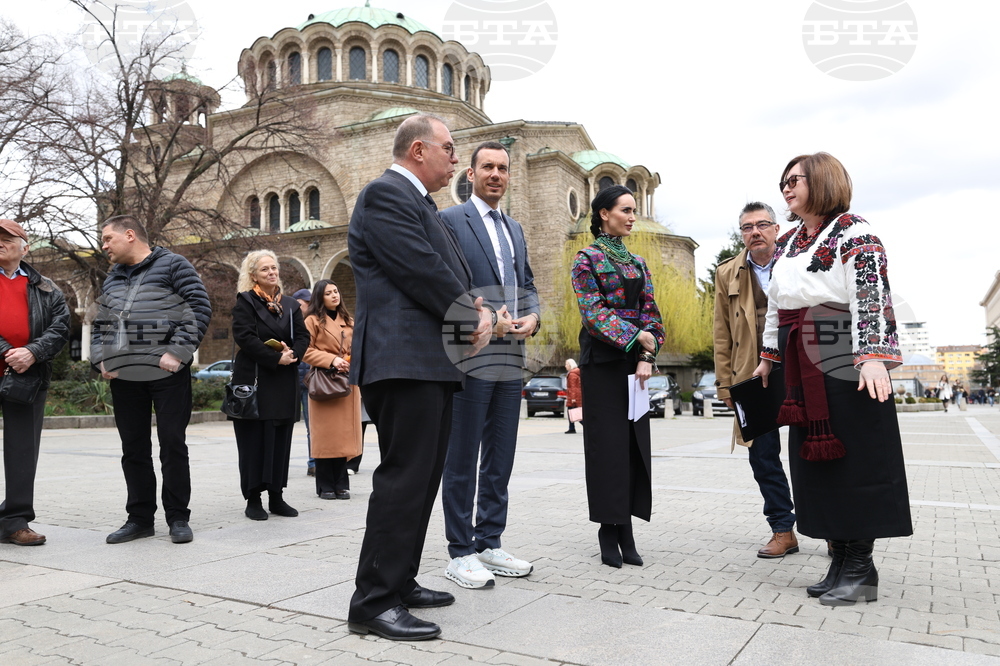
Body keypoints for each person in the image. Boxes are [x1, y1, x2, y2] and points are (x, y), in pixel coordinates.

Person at [346, 114, 499, 640]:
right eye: (450, 148)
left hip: (428, 362)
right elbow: (417, 268)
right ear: (418, 150)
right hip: (402, 359)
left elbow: (445, 271)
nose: (456, 159)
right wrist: (470, 314)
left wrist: (474, 305)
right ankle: (373, 603)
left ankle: (399, 579)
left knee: (422, 478)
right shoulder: (385, 195)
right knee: (404, 479)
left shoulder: (419, 203)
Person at [753, 152, 912, 606]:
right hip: (798, 355)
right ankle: (840, 562)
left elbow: (870, 291)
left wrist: (874, 357)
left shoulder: (853, 230)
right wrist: (768, 356)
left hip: (841, 349)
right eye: (783, 181)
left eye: (796, 180)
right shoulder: (788, 242)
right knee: (813, 461)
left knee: (854, 456)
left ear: (822, 182)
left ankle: (861, 569)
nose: (786, 188)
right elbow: (777, 304)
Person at [439, 140, 540, 589]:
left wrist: (532, 317)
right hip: (472, 352)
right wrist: (482, 320)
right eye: (488, 167)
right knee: (462, 455)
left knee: (500, 455)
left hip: (511, 355)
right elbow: (443, 284)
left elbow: (529, 284)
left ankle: (489, 541)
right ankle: (460, 552)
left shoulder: (515, 228)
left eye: (503, 168)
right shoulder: (451, 221)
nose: (496, 174)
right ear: (472, 174)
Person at [92, 215, 211, 545]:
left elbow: (199, 308)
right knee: (133, 449)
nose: (104, 246)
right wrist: (100, 358)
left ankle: (177, 518)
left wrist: (177, 351)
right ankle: (140, 519)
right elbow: (102, 322)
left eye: (107, 239)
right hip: (125, 375)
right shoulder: (113, 277)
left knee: (172, 444)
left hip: (167, 371)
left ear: (129, 235)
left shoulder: (174, 265)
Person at [571, 185, 664, 569]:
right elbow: (593, 314)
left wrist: (646, 354)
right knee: (606, 448)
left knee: (633, 446)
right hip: (602, 366)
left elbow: (652, 315)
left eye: (634, 211)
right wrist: (633, 338)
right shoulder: (586, 259)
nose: (631, 216)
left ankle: (626, 526)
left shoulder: (639, 263)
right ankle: (608, 528)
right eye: (625, 210)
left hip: (635, 369)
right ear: (603, 213)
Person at [714, 202, 798, 559]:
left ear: (776, 229)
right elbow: (721, 332)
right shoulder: (727, 272)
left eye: (762, 225)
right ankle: (783, 529)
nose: (754, 232)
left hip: (798, 368)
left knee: (811, 450)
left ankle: (828, 529)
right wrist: (724, 384)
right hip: (752, 373)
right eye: (747, 227)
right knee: (763, 457)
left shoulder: (797, 260)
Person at [0, 219, 70, 546]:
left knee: (23, 449)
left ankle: (15, 521)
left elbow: (60, 327)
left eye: (6, 238)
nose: (0, 243)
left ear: (24, 247)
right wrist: (7, 350)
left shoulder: (46, 287)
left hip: (27, 377)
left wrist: (31, 352)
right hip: (10, 363)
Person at [230, 250, 309, 521]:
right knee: (254, 441)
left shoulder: (290, 304)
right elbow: (245, 337)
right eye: (265, 270)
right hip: (255, 379)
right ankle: (253, 498)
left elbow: (303, 335)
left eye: (274, 268)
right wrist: (277, 358)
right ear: (253, 275)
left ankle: (277, 496)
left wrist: (293, 355)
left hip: (284, 381)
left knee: (280, 440)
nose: (271, 273)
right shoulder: (246, 302)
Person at [302, 279, 362, 500]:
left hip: (347, 382)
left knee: (343, 435)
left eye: (336, 291)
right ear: (320, 297)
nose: (335, 295)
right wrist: (332, 360)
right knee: (326, 435)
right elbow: (304, 351)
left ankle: (341, 483)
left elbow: (359, 347)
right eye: (329, 293)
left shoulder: (349, 320)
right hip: (324, 382)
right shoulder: (312, 321)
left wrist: (350, 359)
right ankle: (325, 484)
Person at [292, 288, 316, 477]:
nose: (309, 305)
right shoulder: (286, 322)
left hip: (308, 382)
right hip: (290, 381)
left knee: (312, 426)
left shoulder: (313, 322)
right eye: (306, 302)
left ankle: (313, 462)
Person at [565, 359, 581, 434]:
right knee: (572, 412)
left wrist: (573, 398)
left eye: (567, 364)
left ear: (570, 365)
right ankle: (571, 428)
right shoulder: (576, 372)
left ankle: (572, 428)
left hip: (573, 396)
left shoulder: (572, 374)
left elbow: (573, 387)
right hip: (575, 395)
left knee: (575, 413)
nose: (565, 366)